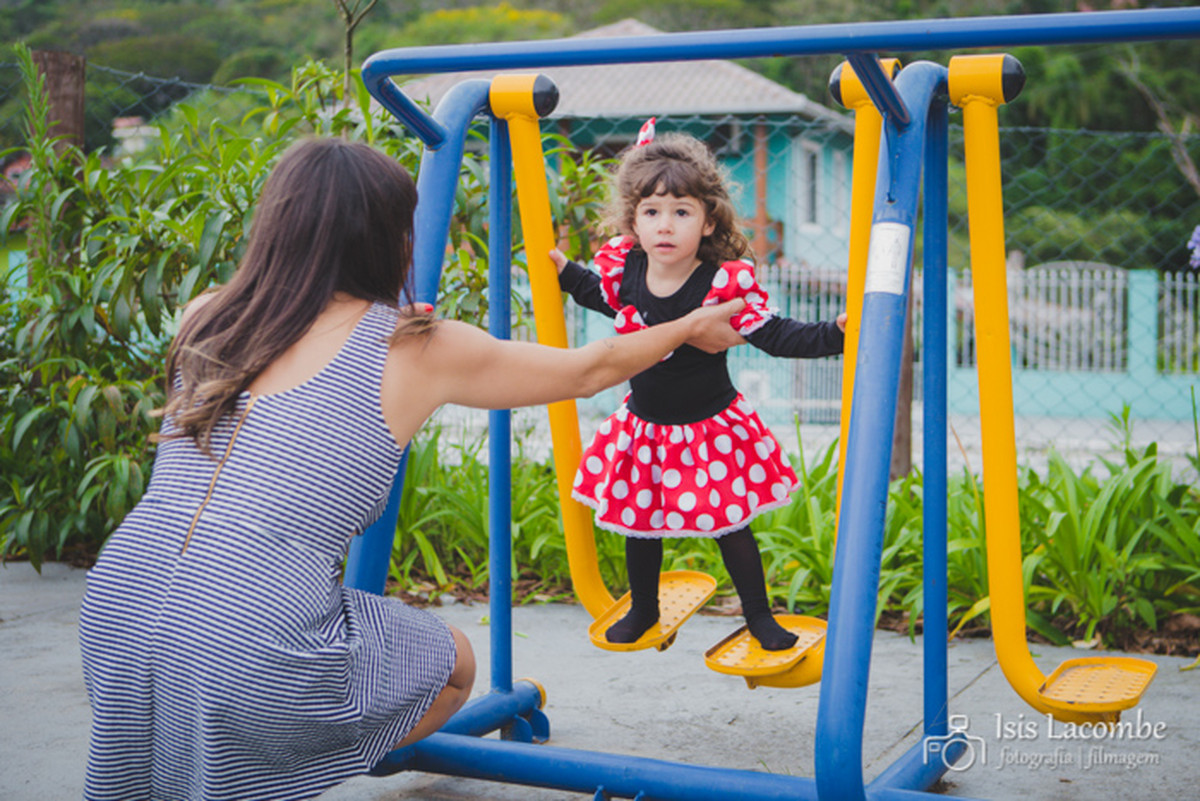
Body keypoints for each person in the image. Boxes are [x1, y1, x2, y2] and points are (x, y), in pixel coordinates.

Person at [77, 136, 746, 801]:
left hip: (119, 596)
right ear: (386, 237)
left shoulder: (207, 312)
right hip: (255, 626)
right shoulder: (412, 346)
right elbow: (590, 370)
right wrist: (690, 324)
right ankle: (275, 766)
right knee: (452, 663)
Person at [550, 130, 847, 652]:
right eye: (652, 212)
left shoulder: (721, 285)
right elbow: (602, 300)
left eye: (681, 213)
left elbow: (775, 334)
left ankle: (759, 616)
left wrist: (835, 335)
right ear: (634, 222)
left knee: (732, 527)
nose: (665, 225)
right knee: (640, 525)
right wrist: (566, 275)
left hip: (711, 428)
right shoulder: (627, 271)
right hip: (645, 426)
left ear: (708, 222)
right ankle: (643, 608)